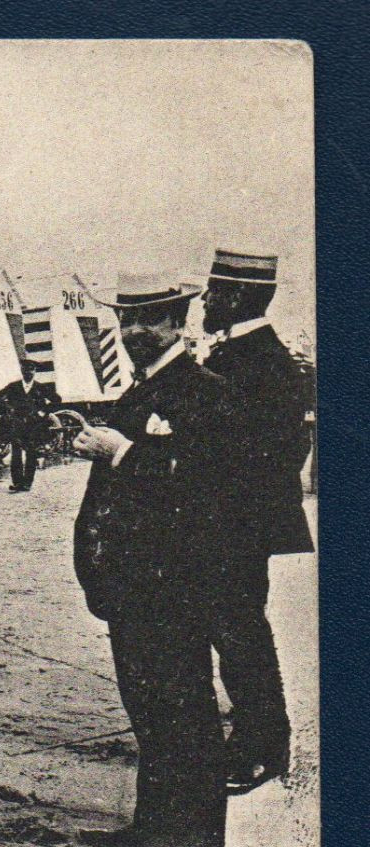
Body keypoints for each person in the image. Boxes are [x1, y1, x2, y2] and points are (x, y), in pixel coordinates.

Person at [71, 273, 234, 847]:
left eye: (152, 319)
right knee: (151, 704)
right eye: (128, 320)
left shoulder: (202, 387)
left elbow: (203, 482)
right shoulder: (140, 390)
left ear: (180, 321)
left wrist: (120, 451)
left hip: (170, 582)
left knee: (179, 702)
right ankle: (160, 825)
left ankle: (188, 834)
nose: (137, 331)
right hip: (132, 582)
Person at [199, 249, 315, 795]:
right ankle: (255, 736)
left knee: (240, 632)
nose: (205, 300)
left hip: (235, 527)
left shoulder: (257, 361)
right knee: (236, 630)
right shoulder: (246, 354)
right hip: (236, 524)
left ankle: (261, 747)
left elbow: (272, 452)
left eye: (215, 292)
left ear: (240, 298)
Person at [0, 363, 59, 492]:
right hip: (17, 424)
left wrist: (43, 412)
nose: (28, 373)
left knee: (31, 454)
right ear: (22, 371)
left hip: (34, 425)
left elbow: (57, 399)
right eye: (25, 370)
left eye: (31, 370)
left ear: (35, 371)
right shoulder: (14, 386)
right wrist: (8, 410)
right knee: (16, 453)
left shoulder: (41, 387)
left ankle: (27, 483)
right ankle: (17, 483)